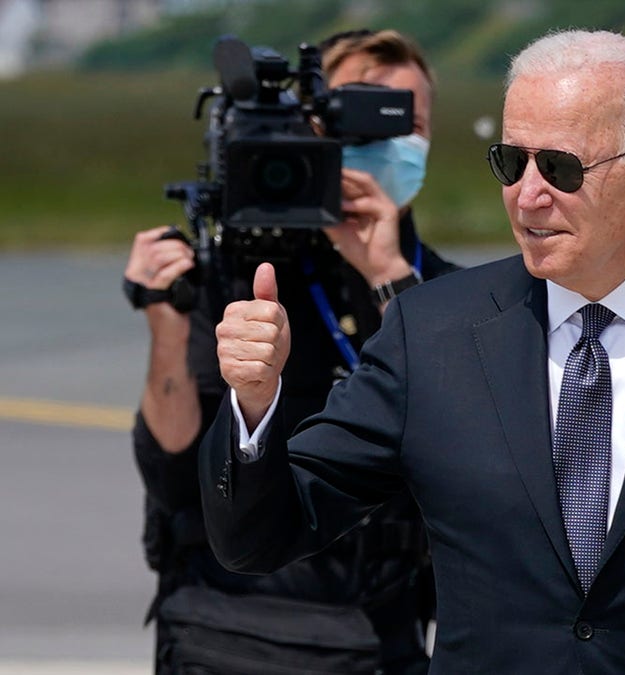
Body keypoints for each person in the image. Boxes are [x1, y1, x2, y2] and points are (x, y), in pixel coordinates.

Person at [197, 29, 625, 674]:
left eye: (559, 166)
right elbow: (264, 534)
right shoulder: (430, 333)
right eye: (510, 160)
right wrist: (254, 407)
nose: (527, 194)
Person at [125, 29, 457, 674]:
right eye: (360, 116)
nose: (389, 142)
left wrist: (388, 274)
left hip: (377, 631)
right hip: (225, 629)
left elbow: (461, 436)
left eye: (405, 121)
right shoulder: (238, 275)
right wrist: (167, 327)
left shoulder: (442, 293)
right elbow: (170, 477)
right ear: (312, 126)